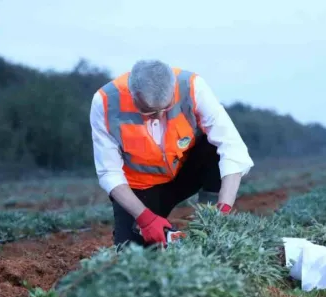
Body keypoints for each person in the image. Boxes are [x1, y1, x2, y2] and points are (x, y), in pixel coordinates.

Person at [90, 60, 254, 247]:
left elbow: (232, 147)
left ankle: (209, 224)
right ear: (133, 95)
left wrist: (223, 209)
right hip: (141, 188)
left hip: (184, 173)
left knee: (214, 148)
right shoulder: (105, 103)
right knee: (132, 251)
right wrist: (145, 218)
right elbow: (109, 172)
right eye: (149, 112)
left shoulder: (192, 86)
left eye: (165, 109)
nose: (159, 116)